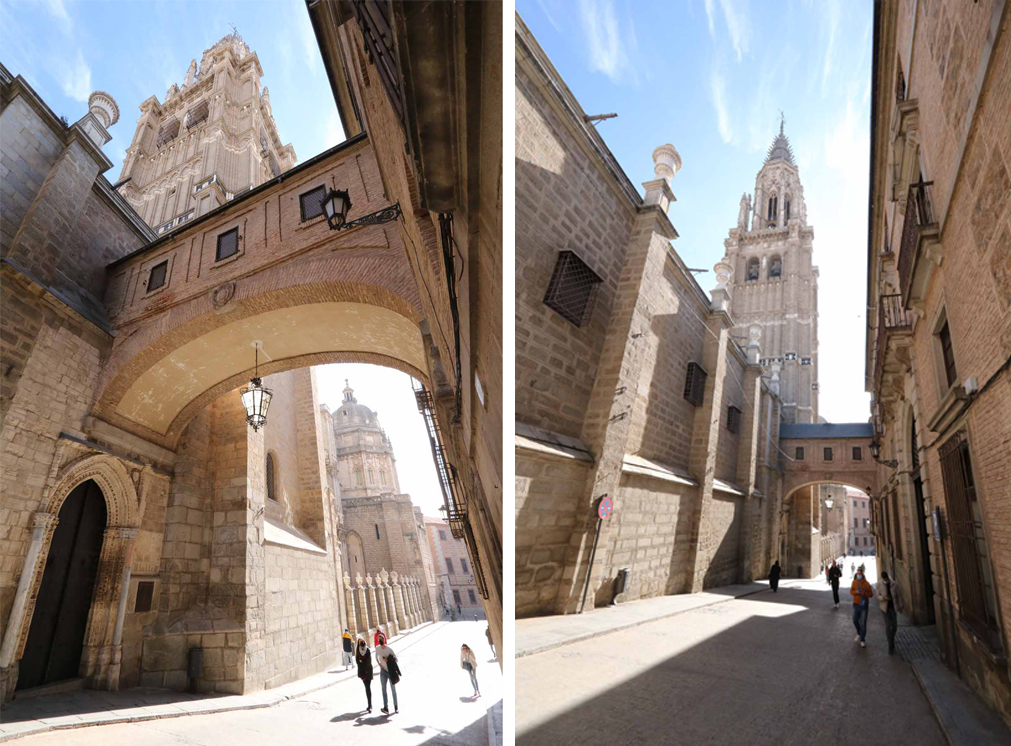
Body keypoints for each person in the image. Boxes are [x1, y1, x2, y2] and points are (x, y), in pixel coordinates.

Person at [850, 564, 874, 648]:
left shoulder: (867, 584)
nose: (858, 575)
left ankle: (863, 639)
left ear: (862, 574)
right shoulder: (854, 582)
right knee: (855, 620)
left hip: (864, 605)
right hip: (856, 604)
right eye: (857, 574)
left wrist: (864, 593)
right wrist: (855, 592)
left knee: (863, 623)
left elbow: (871, 594)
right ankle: (859, 632)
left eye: (860, 574)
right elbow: (851, 591)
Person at [877, 571, 900, 655]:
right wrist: (883, 597)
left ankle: (891, 639)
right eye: (884, 579)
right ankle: (890, 646)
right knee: (888, 625)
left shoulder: (894, 584)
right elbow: (877, 596)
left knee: (894, 626)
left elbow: (898, 596)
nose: (885, 580)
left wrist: (900, 607)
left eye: (886, 579)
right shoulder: (879, 584)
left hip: (893, 608)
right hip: (885, 608)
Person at [375, 638, 398, 714]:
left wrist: (388, 660)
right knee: (383, 689)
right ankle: (386, 707)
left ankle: (396, 707)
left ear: (384, 640)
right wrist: (379, 664)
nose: (380, 641)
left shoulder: (389, 649)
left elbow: (396, 659)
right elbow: (376, 657)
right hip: (383, 671)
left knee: (393, 689)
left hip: (390, 672)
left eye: (381, 639)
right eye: (379, 640)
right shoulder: (377, 648)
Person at [355, 637, 373, 713]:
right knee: (367, 687)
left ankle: (370, 705)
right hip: (362, 672)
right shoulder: (358, 651)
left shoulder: (367, 650)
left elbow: (368, 661)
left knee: (368, 687)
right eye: (359, 642)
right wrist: (361, 661)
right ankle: (369, 704)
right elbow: (357, 661)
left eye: (361, 642)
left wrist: (362, 660)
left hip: (368, 671)